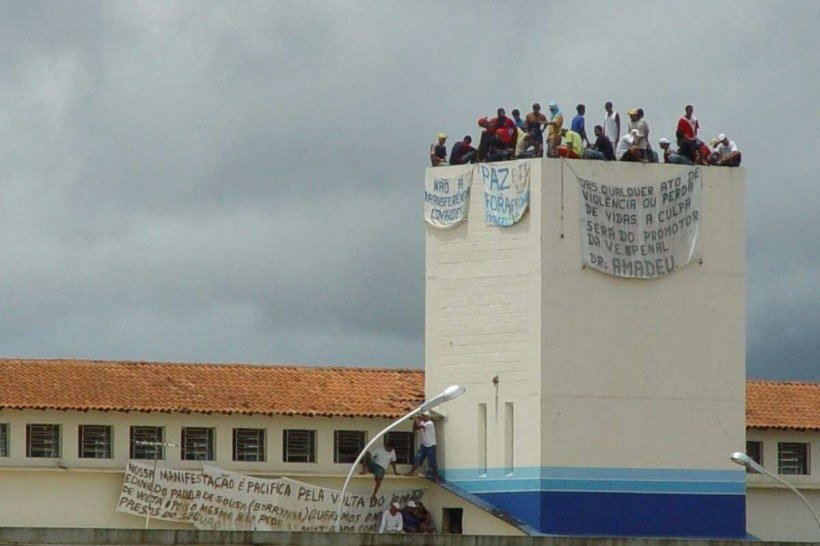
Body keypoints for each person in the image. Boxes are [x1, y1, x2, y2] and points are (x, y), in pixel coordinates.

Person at [405, 412, 437, 480]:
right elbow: (414, 428)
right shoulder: (423, 422)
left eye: (424, 416)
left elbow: (418, 426)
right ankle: (411, 472)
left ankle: (435, 477)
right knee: (417, 459)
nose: (423, 417)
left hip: (431, 446)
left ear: (428, 417)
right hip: (424, 445)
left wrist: (416, 418)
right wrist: (415, 420)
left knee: (432, 462)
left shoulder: (430, 423)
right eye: (423, 416)